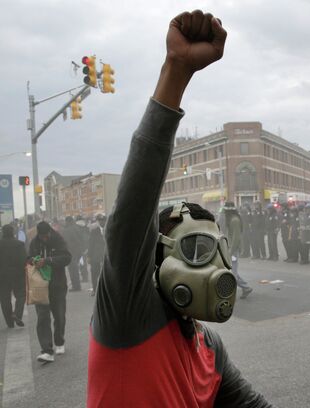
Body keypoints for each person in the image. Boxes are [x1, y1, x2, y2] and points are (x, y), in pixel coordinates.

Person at [87, 11, 271, 406]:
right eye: (195, 251)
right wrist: (176, 72)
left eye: (215, 251)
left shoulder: (209, 347)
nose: (214, 269)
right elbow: (131, 213)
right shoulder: (127, 315)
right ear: (155, 263)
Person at [29, 221, 71, 363]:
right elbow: (28, 258)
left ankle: (59, 341)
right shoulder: (34, 243)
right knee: (42, 317)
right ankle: (46, 350)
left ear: (50, 232)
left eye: (46, 236)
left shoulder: (58, 239)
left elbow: (67, 258)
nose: (44, 239)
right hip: (41, 286)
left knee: (59, 315)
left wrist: (47, 260)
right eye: (42, 237)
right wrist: (34, 260)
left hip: (57, 284)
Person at [223, 202, 253, 299]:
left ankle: (229, 293)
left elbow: (236, 238)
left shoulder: (234, 220)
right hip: (231, 249)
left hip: (234, 250)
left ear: (229, 210)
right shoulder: (231, 219)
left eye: (225, 210)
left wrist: (230, 252)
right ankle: (246, 287)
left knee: (232, 273)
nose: (224, 212)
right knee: (232, 271)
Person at [0, 224, 27, 328]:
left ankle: (9, 323)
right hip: (18, 274)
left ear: (3, 232)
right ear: (13, 232)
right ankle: (17, 314)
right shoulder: (19, 244)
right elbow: (24, 260)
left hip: (2, 276)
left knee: (4, 298)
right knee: (21, 295)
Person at [62, 216, 84, 292]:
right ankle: (77, 285)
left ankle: (76, 286)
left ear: (68, 221)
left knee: (72, 269)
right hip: (78, 251)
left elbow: (65, 242)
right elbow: (81, 239)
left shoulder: (67, 230)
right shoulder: (77, 228)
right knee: (76, 269)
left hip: (71, 252)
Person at [87, 214, 106, 295]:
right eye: (100, 220)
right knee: (94, 273)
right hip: (95, 257)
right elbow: (90, 244)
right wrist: (89, 256)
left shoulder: (110, 229)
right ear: (98, 221)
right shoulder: (94, 232)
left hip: (106, 257)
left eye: (103, 220)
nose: (102, 222)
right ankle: (94, 290)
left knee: (106, 275)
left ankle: (106, 291)